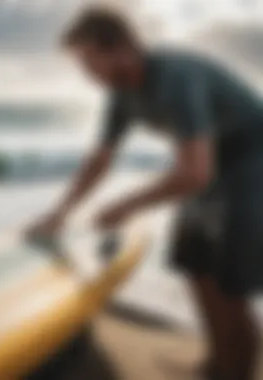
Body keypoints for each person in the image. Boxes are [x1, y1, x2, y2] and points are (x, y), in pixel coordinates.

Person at [27, 7, 263, 380]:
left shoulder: (175, 77)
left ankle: (238, 372)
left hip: (251, 165)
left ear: (121, 48)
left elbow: (195, 172)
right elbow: (100, 160)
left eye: (91, 63)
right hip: (208, 169)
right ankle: (217, 365)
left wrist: (127, 205)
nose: (87, 76)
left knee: (230, 288)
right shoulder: (120, 94)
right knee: (196, 267)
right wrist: (61, 212)